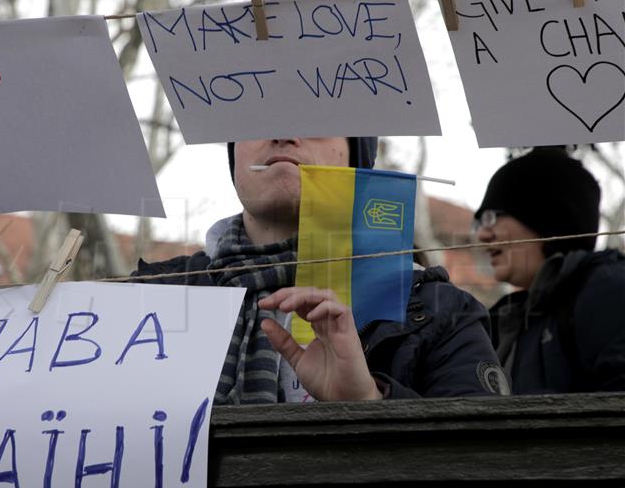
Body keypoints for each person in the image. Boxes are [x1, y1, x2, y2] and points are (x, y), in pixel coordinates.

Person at [132, 136, 509, 403]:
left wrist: (367, 400)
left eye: (314, 120)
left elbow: (491, 485)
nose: (283, 135)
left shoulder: (441, 311)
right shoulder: (149, 294)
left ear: (354, 157)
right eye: (258, 119)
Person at [474, 147, 625, 394]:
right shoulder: (508, 319)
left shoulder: (609, 291)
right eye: (479, 223)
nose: (482, 235)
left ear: (545, 217)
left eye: (491, 217)